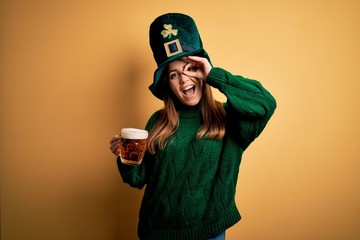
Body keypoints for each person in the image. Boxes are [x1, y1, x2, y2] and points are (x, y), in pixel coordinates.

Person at [109, 13, 277, 240]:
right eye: (173, 74)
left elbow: (265, 103)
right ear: (167, 84)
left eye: (190, 68)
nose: (184, 79)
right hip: (156, 232)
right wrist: (124, 157)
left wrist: (214, 75)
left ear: (202, 70)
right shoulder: (157, 122)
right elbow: (137, 179)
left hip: (208, 233)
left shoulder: (229, 117)